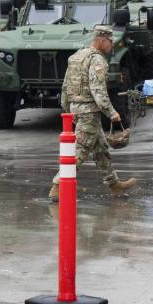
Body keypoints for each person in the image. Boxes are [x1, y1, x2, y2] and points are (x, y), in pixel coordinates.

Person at [52, 25, 137, 199]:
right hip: (89, 111)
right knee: (80, 150)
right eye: (110, 41)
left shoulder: (76, 56)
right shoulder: (97, 60)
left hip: (78, 110)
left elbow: (66, 87)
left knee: (100, 149)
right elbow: (98, 89)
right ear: (101, 39)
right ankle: (57, 186)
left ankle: (114, 184)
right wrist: (111, 112)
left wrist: (69, 109)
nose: (112, 45)